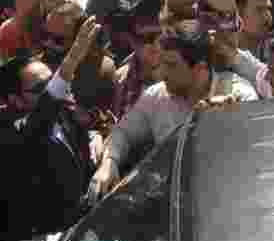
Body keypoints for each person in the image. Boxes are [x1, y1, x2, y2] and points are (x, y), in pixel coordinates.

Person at [92, 22, 258, 194]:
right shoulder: (157, 95)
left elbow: (246, 163)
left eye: (171, 65)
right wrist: (108, 164)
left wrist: (219, 124)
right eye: (162, 63)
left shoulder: (240, 97)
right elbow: (123, 133)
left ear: (199, 69)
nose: (162, 73)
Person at [0, 17, 103, 236]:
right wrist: (71, 60)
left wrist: (94, 137)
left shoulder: (65, 111)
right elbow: (38, 126)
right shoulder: (4, 130)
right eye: (41, 88)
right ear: (15, 100)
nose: (54, 90)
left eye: (52, 81)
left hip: (84, 226)